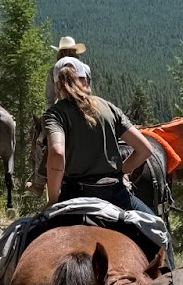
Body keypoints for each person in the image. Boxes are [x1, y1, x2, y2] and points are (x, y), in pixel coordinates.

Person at [42, 59, 156, 216]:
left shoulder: (55, 114)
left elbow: (57, 152)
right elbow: (145, 149)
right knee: (160, 233)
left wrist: (53, 200)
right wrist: (122, 172)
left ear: (56, 87)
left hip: (74, 195)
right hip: (115, 195)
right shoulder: (108, 107)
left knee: (26, 234)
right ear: (85, 81)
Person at [46, 35, 87, 105]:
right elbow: (88, 91)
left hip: (62, 104)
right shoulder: (85, 68)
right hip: (83, 103)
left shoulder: (53, 70)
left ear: (59, 52)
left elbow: (50, 98)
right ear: (75, 51)